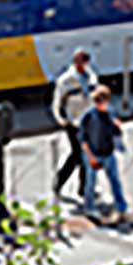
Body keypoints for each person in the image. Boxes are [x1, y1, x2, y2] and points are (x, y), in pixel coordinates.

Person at [79, 85, 132, 223]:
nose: (99, 104)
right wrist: (90, 157)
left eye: (101, 101)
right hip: (94, 152)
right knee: (90, 183)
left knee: (115, 181)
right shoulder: (89, 116)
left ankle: (121, 207)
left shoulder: (110, 114)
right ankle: (89, 206)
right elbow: (83, 138)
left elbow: (115, 133)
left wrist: (118, 128)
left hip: (108, 152)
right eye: (97, 101)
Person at [51, 47, 97, 201]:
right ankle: (60, 182)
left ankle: (83, 188)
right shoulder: (66, 80)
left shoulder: (91, 77)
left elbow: (94, 97)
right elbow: (58, 101)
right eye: (79, 61)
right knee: (78, 155)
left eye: (84, 61)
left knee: (85, 154)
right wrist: (61, 119)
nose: (82, 64)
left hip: (88, 121)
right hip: (72, 122)